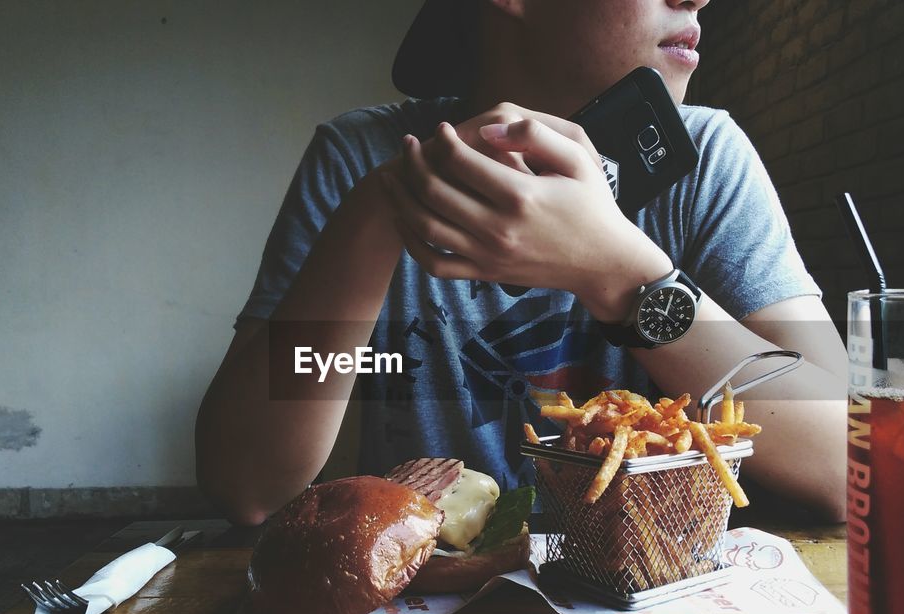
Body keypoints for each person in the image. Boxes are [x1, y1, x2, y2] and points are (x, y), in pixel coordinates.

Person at [196, 0, 848, 527]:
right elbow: (247, 486)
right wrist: (384, 209)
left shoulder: (704, 158)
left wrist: (624, 280)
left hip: (652, 609)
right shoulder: (362, 158)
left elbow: (852, 463)